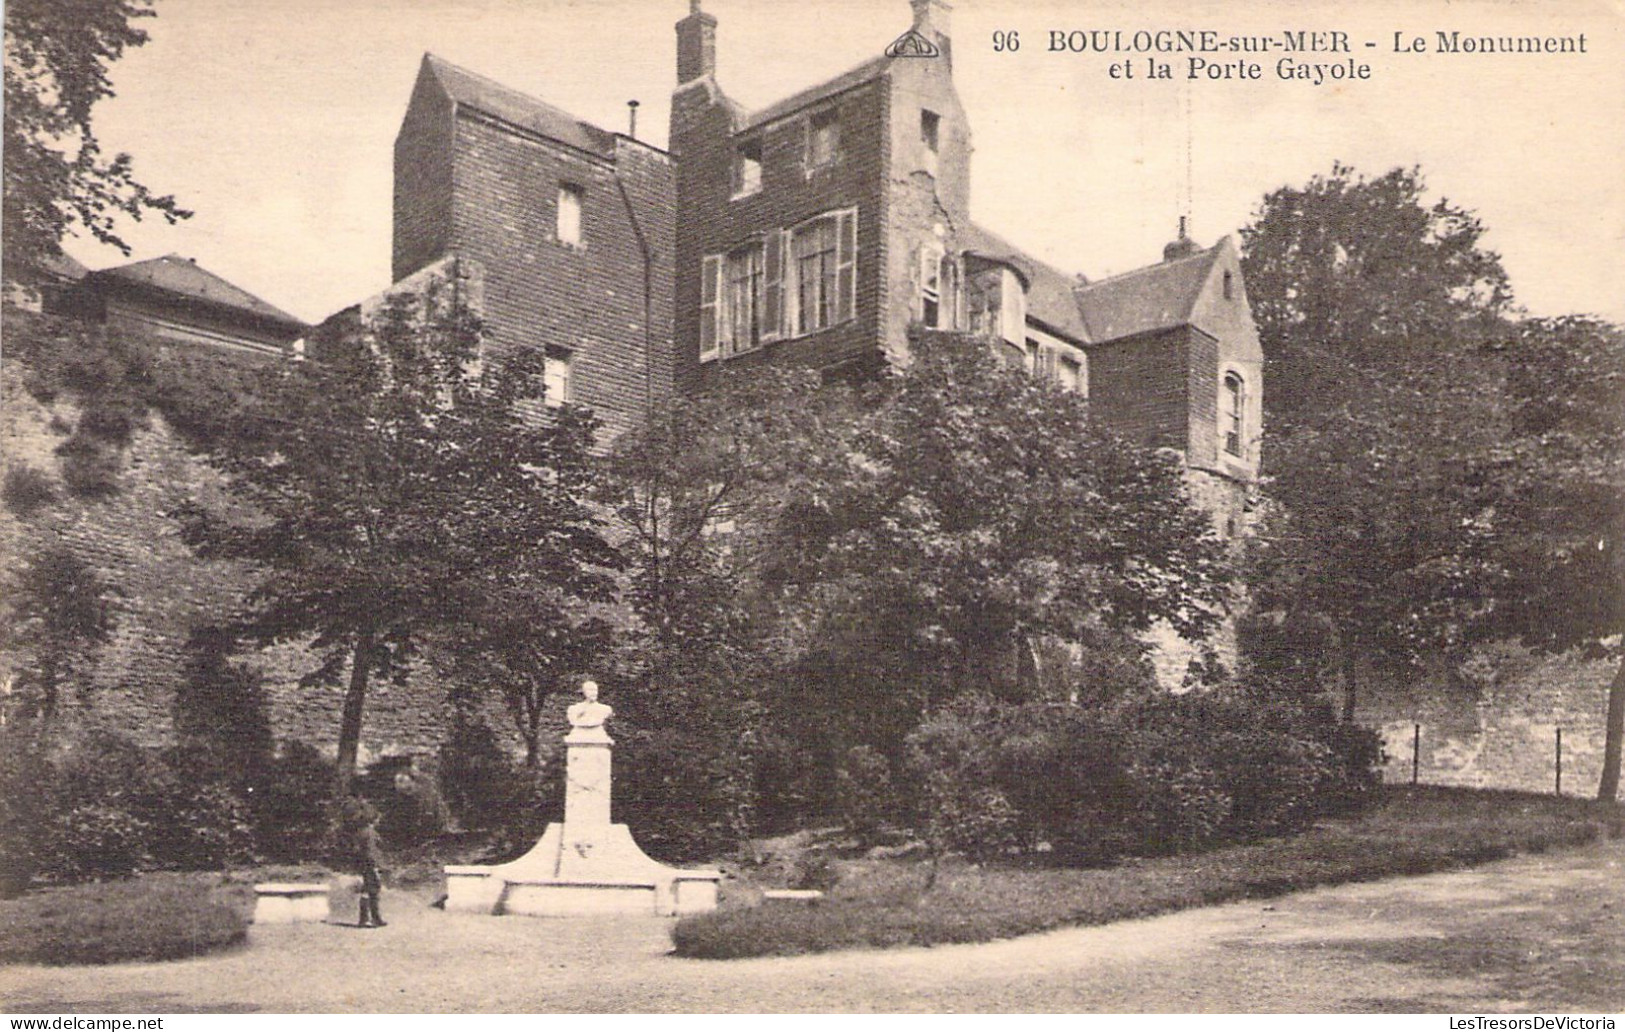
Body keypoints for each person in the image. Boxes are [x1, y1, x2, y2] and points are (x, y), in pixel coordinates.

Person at [346, 799, 387, 929]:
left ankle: (374, 918)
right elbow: (372, 851)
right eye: (377, 819)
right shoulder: (370, 833)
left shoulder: (359, 832)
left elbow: (356, 850)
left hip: (362, 864)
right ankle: (367, 919)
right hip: (370, 864)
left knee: (370, 890)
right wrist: (377, 866)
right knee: (371, 890)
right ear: (373, 820)